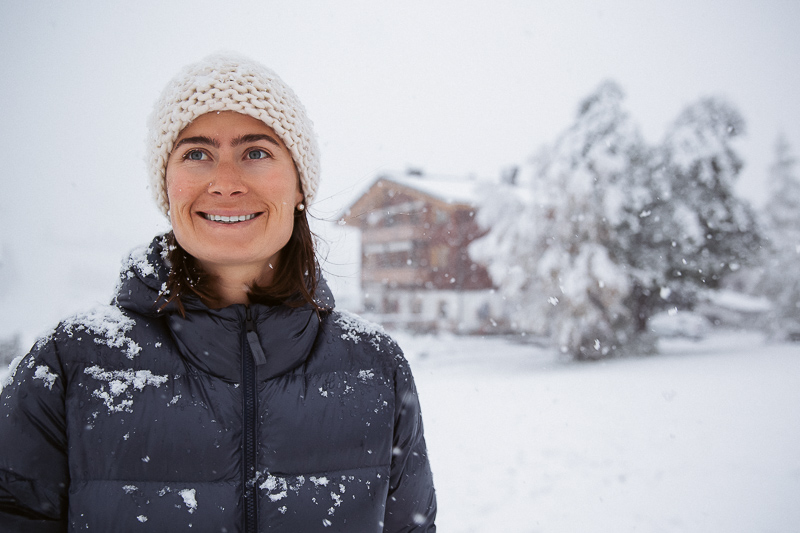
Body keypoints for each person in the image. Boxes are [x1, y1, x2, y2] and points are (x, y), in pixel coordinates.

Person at [0, 53, 437, 532]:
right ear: (167, 187)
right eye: (196, 153)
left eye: (255, 152)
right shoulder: (69, 364)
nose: (225, 183)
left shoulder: (376, 367)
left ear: (299, 188)